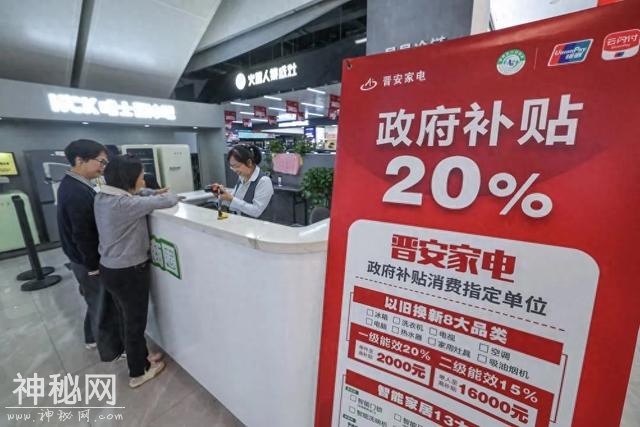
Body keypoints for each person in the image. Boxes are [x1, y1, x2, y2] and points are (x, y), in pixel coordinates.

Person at [95, 154, 179, 388]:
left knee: (127, 318)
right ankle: (138, 372)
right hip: (129, 271)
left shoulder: (102, 197)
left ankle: (141, 357)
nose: (144, 181)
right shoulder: (125, 205)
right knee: (134, 322)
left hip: (110, 268)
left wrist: (150, 191)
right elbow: (169, 199)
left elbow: (139, 194)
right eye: (141, 177)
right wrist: (162, 193)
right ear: (128, 179)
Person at [56, 139, 123, 360]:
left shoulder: (74, 183)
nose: (103, 167)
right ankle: (113, 352)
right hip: (87, 260)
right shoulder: (76, 191)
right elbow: (82, 233)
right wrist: (93, 265)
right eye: (100, 162)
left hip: (81, 259)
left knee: (94, 300)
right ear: (80, 160)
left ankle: (91, 338)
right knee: (103, 305)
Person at [211, 143, 274, 219]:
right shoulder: (241, 177)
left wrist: (231, 198)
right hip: (241, 222)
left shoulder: (264, 181)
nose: (234, 170)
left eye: (237, 166)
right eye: (232, 167)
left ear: (249, 162)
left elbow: (256, 211)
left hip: (258, 225)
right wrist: (222, 195)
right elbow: (234, 204)